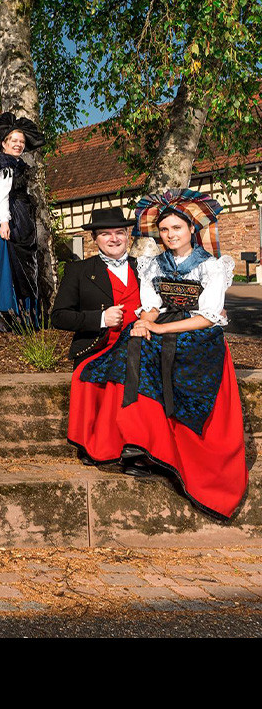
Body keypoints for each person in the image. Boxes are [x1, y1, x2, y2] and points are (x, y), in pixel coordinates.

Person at [67, 190, 248, 519]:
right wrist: (143, 323)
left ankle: (160, 442)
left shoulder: (212, 265)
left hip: (198, 332)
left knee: (159, 345)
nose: (170, 235)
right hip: (164, 323)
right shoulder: (153, 264)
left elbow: (209, 316)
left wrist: (160, 329)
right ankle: (136, 441)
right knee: (132, 344)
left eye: (177, 228)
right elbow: (151, 306)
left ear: (191, 230)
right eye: (165, 230)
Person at [0, 112, 45, 332]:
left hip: (9, 215)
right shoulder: (4, 163)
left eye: (21, 142)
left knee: (2, 264)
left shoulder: (12, 162)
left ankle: (3, 311)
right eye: (14, 141)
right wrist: (4, 221)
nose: (19, 145)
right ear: (3, 143)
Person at [51, 208, 139, 367]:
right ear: (94, 238)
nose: (114, 239)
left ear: (127, 234)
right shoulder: (78, 271)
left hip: (142, 352)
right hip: (98, 354)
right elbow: (59, 317)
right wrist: (101, 318)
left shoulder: (144, 267)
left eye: (119, 232)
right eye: (105, 234)